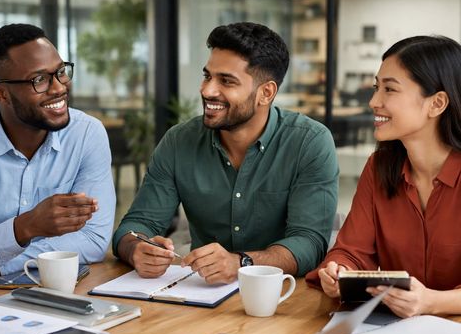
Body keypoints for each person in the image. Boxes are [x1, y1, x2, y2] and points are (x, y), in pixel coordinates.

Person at [114, 22, 338, 284]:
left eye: (227, 81)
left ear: (266, 93)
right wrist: (136, 248)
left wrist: (242, 263)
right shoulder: (178, 141)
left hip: (283, 295)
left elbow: (309, 243)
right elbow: (137, 224)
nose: (207, 90)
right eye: (208, 76)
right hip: (201, 293)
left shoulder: (309, 142)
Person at [0, 24, 115, 275]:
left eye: (60, 72)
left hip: (55, 288)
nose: (59, 87)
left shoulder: (86, 134)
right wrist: (25, 227)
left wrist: (2, 264)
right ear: (1, 93)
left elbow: (93, 240)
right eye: (39, 80)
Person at [308, 35, 461, 318]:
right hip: (397, 331)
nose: (373, 101)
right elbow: (351, 251)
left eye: (389, 89)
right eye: (377, 87)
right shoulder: (379, 168)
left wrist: (431, 302)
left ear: (437, 103)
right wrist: (339, 271)